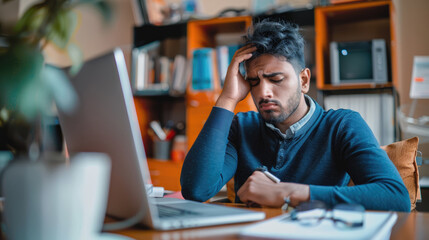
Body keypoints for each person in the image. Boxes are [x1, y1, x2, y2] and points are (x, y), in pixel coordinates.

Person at [180, 20, 410, 212]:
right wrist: (227, 99)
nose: (263, 92)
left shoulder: (342, 125)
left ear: (304, 80)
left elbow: (395, 197)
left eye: (276, 79)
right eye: (253, 82)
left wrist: (287, 192)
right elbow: (196, 190)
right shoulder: (241, 127)